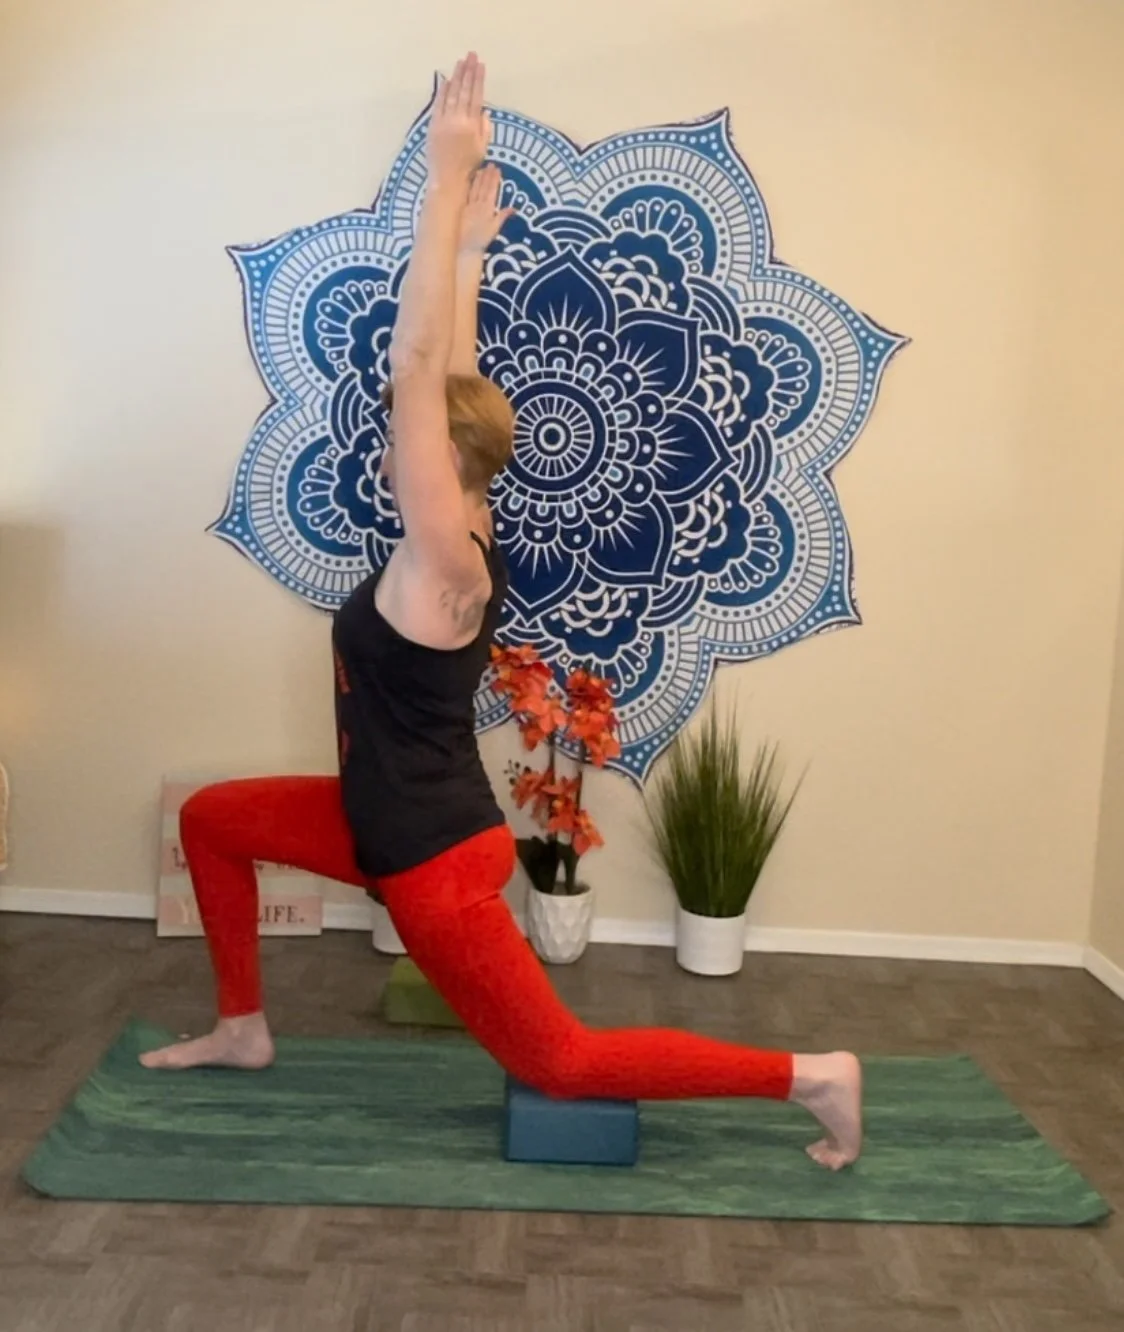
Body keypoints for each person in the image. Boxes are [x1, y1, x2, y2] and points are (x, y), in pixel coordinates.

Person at [142, 53, 863, 1171]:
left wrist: (442, 179)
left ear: (438, 457)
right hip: (380, 822)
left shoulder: (444, 564)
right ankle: (243, 1027)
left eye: (412, 433)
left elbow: (420, 360)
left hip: (431, 860)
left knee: (563, 1062)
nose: (398, 437)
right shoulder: (466, 524)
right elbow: (452, 368)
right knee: (215, 819)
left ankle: (810, 1076)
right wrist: (470, 250)